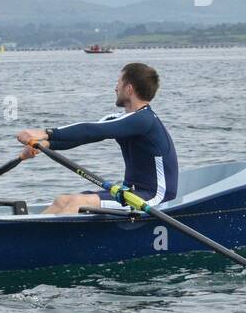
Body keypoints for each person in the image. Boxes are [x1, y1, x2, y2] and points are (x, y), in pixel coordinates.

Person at [15, 62, 178, 214]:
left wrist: (45, 132)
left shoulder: (144, 120)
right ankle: (26, 237)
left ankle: (51, 242)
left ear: (129, 89)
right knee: (62, 200)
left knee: (77, 203)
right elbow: (83, 136)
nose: (115, 88)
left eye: (118, 83)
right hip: (129, 192)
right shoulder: (122, 119)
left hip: (154, 196)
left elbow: (92, 130)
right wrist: (44, 145)